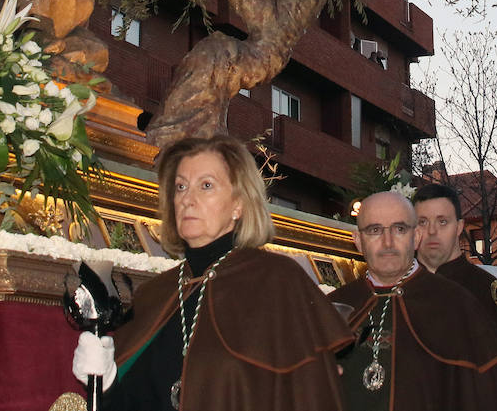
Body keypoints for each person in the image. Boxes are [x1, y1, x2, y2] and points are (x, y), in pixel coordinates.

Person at [71, 134, 351, 410]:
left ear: (239, 204)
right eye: (180, 187)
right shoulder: (155, 294)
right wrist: (105, 384)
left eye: (206, 185)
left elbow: (308, 397)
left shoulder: (278, 280)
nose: (187, 199)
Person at [331, 190, 497, 410]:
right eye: (374, 230)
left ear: (415, 238)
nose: (388, 242)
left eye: (399, 229)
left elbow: (481, 398)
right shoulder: (332, 307)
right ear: (358, 241)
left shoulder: (457, 305)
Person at [414, 184, 497, 411]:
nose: (431, 232)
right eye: (422, 222)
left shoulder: (487, 293)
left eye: (442, 222)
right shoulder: (400, 289)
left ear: (459, 227)